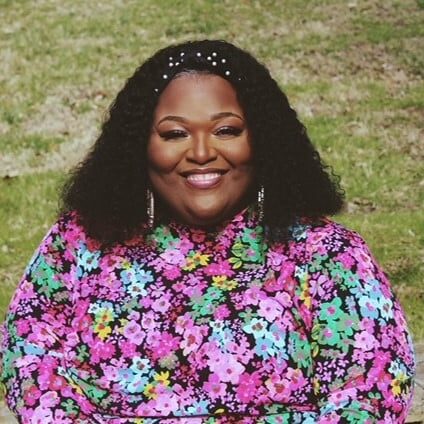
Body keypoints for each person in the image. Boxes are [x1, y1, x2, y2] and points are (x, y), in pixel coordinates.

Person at [0, 39, 415, 423]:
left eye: (226, 130)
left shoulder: (329, 255)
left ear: (263, 141)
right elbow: (28, 357)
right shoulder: (78, 244)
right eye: (175, 133)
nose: (201, 153)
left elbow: (372, 391)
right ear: (140, 147)